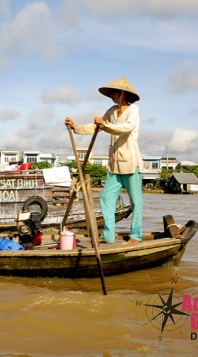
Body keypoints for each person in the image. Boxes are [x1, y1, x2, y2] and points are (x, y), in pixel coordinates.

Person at [64, 77, 143, 245]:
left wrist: (104, 125)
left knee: (136, 201)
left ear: (122, 93)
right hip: (114, 165)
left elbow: (126, 128)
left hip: (130, 163)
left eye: (113, 93)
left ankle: (135, 235)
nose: (111, 97)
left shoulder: (133, 110)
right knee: (106, 197)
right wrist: (75, 127)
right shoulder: (112, 111)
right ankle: (108, 235)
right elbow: (96, 126)